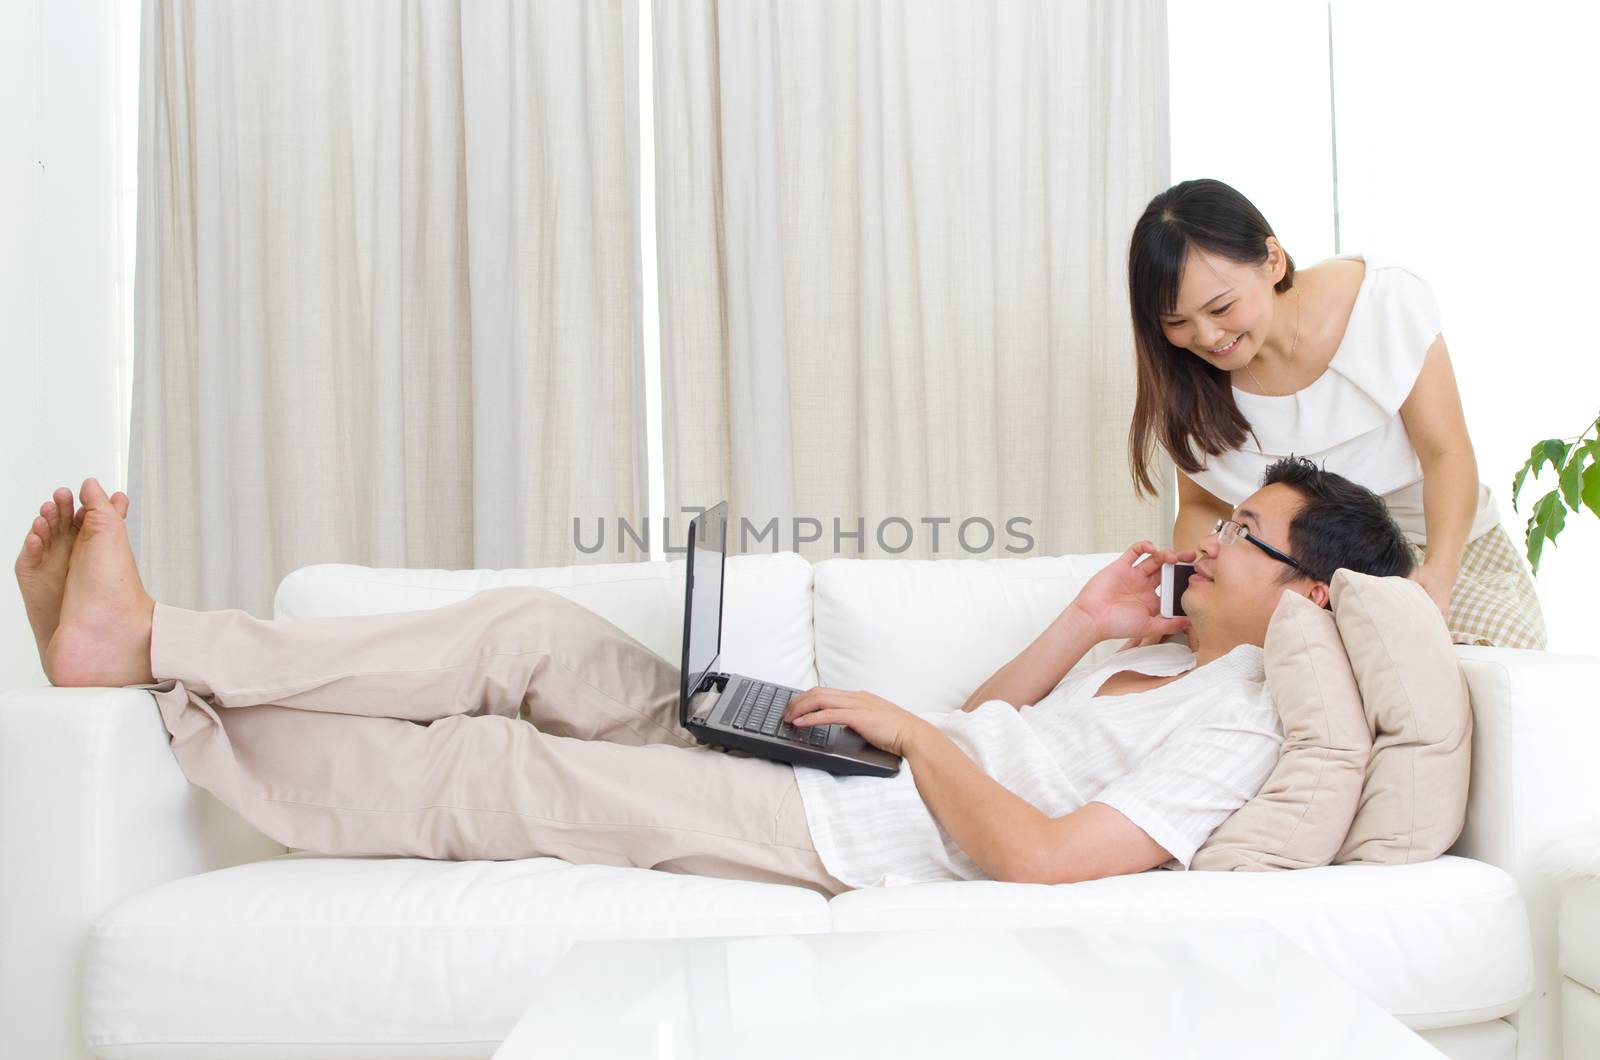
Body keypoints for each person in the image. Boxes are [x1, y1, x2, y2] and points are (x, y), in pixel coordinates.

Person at [16, 458, 1412, 895]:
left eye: (1241, 533)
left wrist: (907, 739)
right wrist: (1086, 623)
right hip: (841, 760)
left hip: (832, 827)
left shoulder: (1247, 726)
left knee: (495, 768)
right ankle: (145, 650)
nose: (1205, 540)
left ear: (1308, 590)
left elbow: (1042, 857)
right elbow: (998, 726)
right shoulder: (1159, 659)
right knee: (523, 632)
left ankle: (144, 686)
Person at [1125, 178, 1545, 649]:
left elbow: (1446, 453)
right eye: (1176, 322)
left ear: (1273, 260)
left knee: (1491, 670)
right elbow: (1203, 505)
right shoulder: (1184, 380)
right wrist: (1198, 592)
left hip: (1438, 548)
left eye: (1220, 307)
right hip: (1293, 576)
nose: (1206, 336)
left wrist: (1437, 579)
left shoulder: (1381, 303)